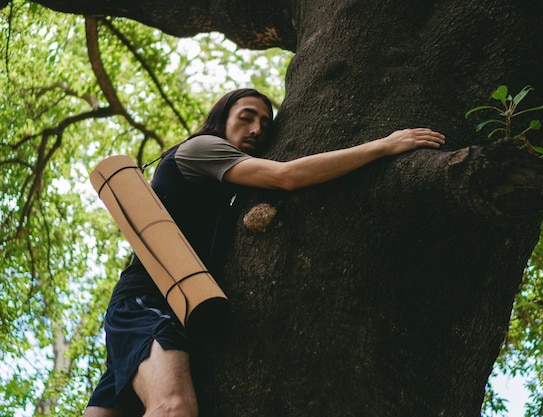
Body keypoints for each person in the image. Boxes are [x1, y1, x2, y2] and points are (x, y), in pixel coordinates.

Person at [84, 88, 445, 417]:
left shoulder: (225, 183)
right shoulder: (201, 148)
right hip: (151, 301)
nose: (257, 128)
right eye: (246, 117)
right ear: (221, 119)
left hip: (159, 305)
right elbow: (287, 177)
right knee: (173, 406)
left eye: (265, 124)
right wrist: (384, 145)